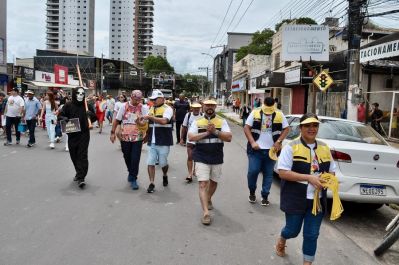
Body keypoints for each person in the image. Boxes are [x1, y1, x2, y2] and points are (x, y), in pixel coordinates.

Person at [275, 113, 336, 265]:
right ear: (301, 128)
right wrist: (309, 178)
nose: (312, 128)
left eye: (315, 125)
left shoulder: (324, 147)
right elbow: (282, 172)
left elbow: (332, 171)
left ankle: (307, 263)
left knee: (311, 235)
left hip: (317, 201)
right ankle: (283, 238)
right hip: (295, 198)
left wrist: (327, 179)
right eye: (307, 125)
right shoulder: (291, 146)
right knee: (292, 231)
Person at [188, 99, 232, 225]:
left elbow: (229, 138)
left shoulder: (221, 121)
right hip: (201, 156)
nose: (209, 107)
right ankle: (206, 213)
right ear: (203, 106)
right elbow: (191, 137)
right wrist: (207, 133)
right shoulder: (197, 122)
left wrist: (215, 132)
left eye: (212, 105)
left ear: (215, 107)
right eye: (207, 105)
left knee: (214, 182)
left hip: (217, 156)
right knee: (202, 183)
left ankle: (208, 198)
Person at [244, 97, 289, 205]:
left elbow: (287, 128)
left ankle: (265, 196)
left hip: (271, 151)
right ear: (263, 104)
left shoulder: (279, 114)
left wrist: (279, 141)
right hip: (256, 150)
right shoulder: (255, 112)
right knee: (253, 171)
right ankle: (252, 192)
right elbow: (246, 128)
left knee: (268, 174)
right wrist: (252, 142)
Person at [110, 90, 149, 190]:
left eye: (139, 100)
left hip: (138, 136)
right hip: (125, 136)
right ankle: (130, 171)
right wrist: (113, 133)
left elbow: (146, 122)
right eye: (136, 99)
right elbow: (117, 120)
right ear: (131, 97)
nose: (137, 101)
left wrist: (147, 134)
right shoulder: (124, 106)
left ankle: (134, 178)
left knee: (135, 158)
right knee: (127, 157)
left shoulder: (143, 108)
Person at [59, 87, 91, 189]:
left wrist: (91, 115)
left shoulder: (87, 105)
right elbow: (60, 116)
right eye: (78, 93)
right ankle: (78, 172)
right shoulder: (68, 105)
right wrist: (64, 118)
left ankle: (82, 177)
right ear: (74, 94)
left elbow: (94, 118)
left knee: (82, 155)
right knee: (74, 155)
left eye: (82, 93)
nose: (80, 95)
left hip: (84, 134)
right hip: (72, 134)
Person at [143, 89, 174, 193]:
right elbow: (147, 123)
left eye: (155, 99)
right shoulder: (151, 108)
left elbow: (164, 121)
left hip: (164, 141)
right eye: (152, 99)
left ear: (162, 99)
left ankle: (165, 175)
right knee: (150, 162)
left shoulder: (168, 109)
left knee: (162, 163)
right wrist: (140, 122)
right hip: (152, 141)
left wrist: (150, 117)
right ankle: (151, 183)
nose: (153, 101)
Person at [180, 102, 203, 182]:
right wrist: (182, 138)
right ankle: (189, 174)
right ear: (192, 108)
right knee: (190, 156)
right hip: (189, 139)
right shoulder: (188, 115)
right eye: (195, 108)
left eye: (198, 108)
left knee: (197, 157)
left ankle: (195, 170)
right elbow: (184, 127)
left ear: (200, 108)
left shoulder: (203, 116)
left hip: (200, 140)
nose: (196, 109)